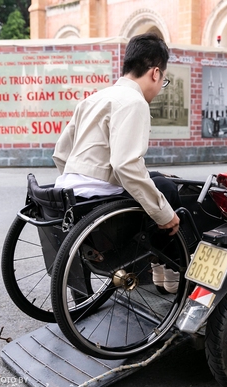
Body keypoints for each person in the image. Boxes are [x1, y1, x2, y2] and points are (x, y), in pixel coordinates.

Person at [52, 33, 181, 293]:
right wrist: (165, 214)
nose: (160, 86)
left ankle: (160, 266)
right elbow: (125, 165)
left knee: (155, 178)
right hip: (100, 203)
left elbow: (61, 153)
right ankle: (171, 266)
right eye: (163, 80)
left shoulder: (93, 99)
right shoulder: (135, 102)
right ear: (155, 73)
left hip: (72, 195)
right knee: (166, 190)